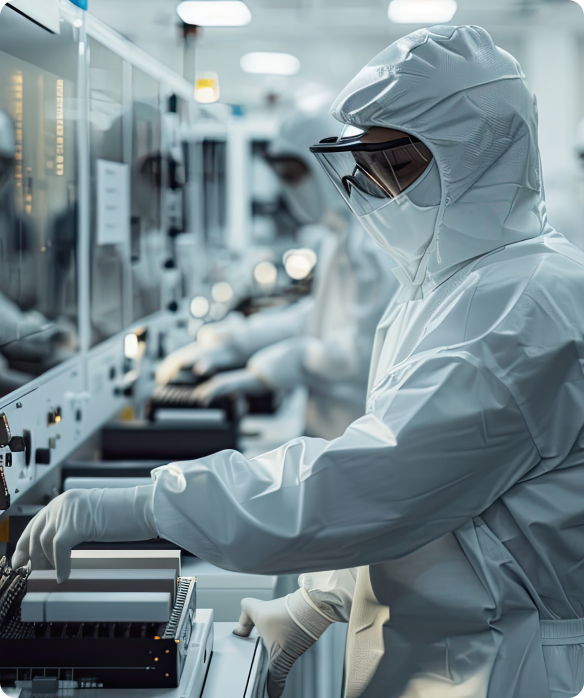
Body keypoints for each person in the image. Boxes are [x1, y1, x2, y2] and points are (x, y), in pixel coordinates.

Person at [13, 24, 584, 698]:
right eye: (366, 168)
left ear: (481, 156)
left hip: (506, 666)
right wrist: (323, 597)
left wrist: (143, 504)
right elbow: (446, 498)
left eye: (396, 167)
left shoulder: (521, 307)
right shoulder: (459, 282)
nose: (375, 191)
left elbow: (372, 481)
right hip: (454, 644)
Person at [156, 102, 398, 440]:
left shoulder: (373, 243)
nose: (290, 189)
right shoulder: (339, 232)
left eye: (293, 175)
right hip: (329, 430)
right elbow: (320, 317)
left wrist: (275, 367)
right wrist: (233, 340)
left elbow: (363, 352)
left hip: (358, 434)